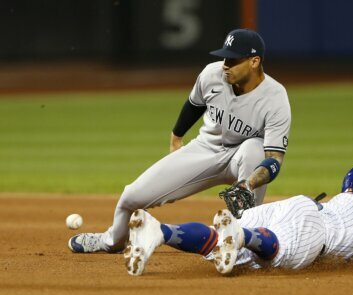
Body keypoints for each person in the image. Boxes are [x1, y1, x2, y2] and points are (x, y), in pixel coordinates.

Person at [68, 29, 291, 253]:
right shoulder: (212, 75)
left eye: (233, 60)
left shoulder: (275, 97)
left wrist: (248, 184)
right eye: (224, 57)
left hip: (243, 160)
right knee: (130, 197)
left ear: (254, 61)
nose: (225, 64)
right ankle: (112, 241)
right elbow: (194, 105)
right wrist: (176, 138)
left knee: (255, 148)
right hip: (206, 149)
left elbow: (274, 159)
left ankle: (243, 242)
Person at [124, 165, 353, 276]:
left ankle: (161, 231)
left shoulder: (343, 203)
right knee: (274, 249)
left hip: (289, 209)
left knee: (223, 248)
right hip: (310, 227)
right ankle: (241, 234)